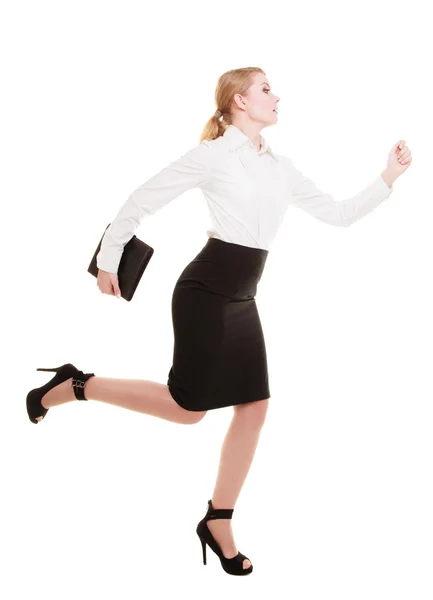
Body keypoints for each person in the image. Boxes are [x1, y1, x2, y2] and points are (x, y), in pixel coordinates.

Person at [26, 67, 412, 576]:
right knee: (189, 410)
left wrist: (387, 177)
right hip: (205, 293)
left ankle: (219, 518)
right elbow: (143, 198)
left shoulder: (280, 168)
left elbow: (339, 214)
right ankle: (76, 385)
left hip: (243, 298)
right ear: (238, 101)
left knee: (254, 405)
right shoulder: (212, 156)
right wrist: (109, 259)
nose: (277, 96)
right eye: (266, 89)